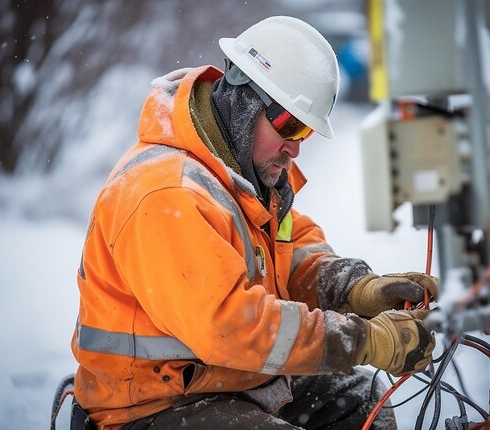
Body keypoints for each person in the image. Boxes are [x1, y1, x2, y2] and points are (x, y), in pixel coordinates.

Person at [70, 15, 438, 430]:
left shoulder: (239, 177)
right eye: (290, 125)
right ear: (243, 100)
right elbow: (230, 327)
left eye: (306, 134)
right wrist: (362, 341)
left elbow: (292, 252)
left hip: (232, 380)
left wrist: (358, 289)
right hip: (151, 407)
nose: (294, 150)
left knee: (361, 401)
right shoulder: (166, 193)